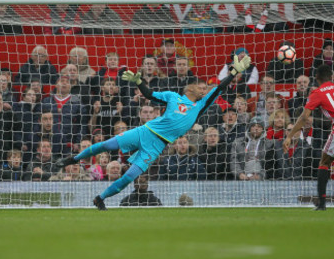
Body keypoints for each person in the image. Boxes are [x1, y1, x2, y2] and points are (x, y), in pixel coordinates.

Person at [56, 54, 252, 210]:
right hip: (145, 131)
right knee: (108, 145)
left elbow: (219, 88)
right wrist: (138, 81)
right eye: (200, 87)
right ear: (190, 88)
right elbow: (149, 94)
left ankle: (100, 198)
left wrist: (234, 72)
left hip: (158, 145)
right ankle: (72, 160)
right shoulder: (172, 96)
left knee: (130, 176)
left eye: (204, 88)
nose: (203, 90)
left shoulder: (200, 106)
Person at [283, 65, 334, 211]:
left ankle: (322, 204)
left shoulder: (317, 92)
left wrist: (289, 136)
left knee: (324, 162)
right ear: (331, 77)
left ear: (316, 78)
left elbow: (304, 117)